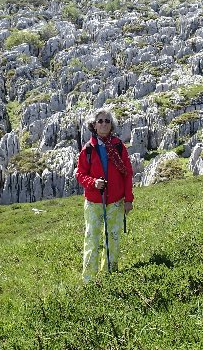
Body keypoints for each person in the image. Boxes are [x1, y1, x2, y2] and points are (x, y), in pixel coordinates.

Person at [75, 108, 134, 282]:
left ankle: (110, 275)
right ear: (93, 125)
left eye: (107, 121)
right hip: (94, 202)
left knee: (113, 238)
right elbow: (80, 174)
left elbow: (127, 173)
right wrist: (93, 183)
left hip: (115, 201)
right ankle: (89, 279)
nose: (104, 124)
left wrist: (128, 200)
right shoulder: (88, 149)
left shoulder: (118, 146)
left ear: (111, 125)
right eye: (100, 121)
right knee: (92, 238)